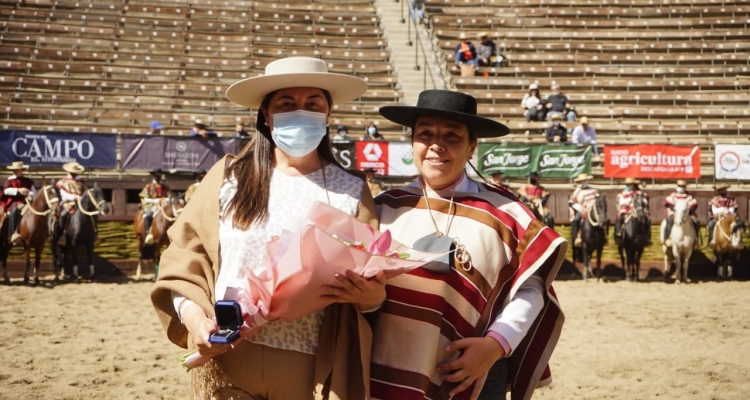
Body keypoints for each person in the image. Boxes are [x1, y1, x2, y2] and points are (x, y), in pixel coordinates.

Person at [151, 56, 382, 399]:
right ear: (266, 113)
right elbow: (185, 258)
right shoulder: (227, 177)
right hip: (226, 360)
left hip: (311, 366)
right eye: (287, 103)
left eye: (313, 103)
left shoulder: (352, 189)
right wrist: (193, 316)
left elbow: (373, 280)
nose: (301, 111)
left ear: (328, 114)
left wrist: (372, 297)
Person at [372, 89, 565, 400]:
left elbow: (531, 290)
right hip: (387, 370)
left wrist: (495, 345)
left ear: (472, 146)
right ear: (412, 142)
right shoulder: (383, 208)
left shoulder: (507, 214)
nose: (436, 144)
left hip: (473, 374)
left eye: (452, 135)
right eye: (426, 133)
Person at [1, 161, 36, 244]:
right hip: (14, 202)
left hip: (26, 202)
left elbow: (34, 191)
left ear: (21, 170)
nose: (16, 171)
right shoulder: (10, 180)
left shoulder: (27, 181)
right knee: (15, 210)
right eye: (14, 170)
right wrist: (18, 190)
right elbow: (5, 191)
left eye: (17, 169)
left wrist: (28, 193)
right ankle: (13, 234)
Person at [663, 180, 700, 248]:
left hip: (687, 214)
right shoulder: (673, 195)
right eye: (679, 186)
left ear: (685, 187)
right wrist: (676, 210)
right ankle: (667, 238)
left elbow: (693, 205)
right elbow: (669, 204)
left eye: (682, 186)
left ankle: (695, 240)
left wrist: (688, 211)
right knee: (669, 220)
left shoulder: (689, 196)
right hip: (674, 213)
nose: (680, 188)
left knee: (696, 222)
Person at [614, 177, 651, 245]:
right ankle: (618, 235)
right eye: (628, 184)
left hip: (637, 211)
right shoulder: (623, 193)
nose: (629, 186)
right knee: (619, 219)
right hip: (626, 211)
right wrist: (630, 199)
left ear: (634, 185)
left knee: (647, 219)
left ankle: (647, 237)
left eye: (631, 184)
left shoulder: (639, 193)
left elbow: (645, 201)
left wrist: (640, 200)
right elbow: (621, 202)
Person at [707, 184, 744, 249]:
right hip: (718, 216)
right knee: (711, 225)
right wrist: (723, 209)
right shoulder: (715, 199)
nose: (723, 191)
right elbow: (714, 210)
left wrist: (729, 210)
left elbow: (733, 208)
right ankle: (712, 240)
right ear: (719, 191)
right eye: (721, 190)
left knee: (740, 223)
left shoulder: (731, 198)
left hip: (730, 216)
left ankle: (739, 241)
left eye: (724, 189)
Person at [139, 168, 170, 245]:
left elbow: (170, 197)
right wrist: (155, 201)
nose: (157, 176)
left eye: (159, 175)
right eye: (156, 175)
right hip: (151, 205)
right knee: (148, 214)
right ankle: (147, 233)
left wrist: (165, 199)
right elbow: (144, 198)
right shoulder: (148, 186)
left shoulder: (165, 187)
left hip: (163, 205)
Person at [55, 161, 86, 237]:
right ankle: (62, 234)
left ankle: (93, 234)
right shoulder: (63, 182)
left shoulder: (81, 181)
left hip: (81, 203)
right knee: (63, 215)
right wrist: (75, 197)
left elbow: (85, 191)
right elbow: (64, 195)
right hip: (68, 203)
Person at [569, 173, 599, 247]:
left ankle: (603, 238)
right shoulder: (577, 191)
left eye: (585, 181)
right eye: (582, 181)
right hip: (583, 210)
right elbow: (572, 202)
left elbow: (598, 200)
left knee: (602, 220)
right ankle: (577, 237)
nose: (584, 182)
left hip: (593, 210)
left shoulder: (594, 190)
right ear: (579, 182)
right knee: (576, 219)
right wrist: (580, 208)